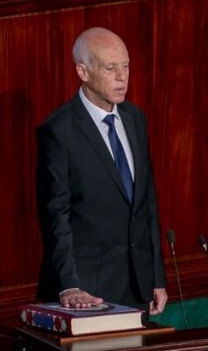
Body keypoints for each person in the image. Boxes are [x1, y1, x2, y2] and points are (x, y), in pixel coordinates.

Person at [36, 27, 168, 317]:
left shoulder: (135, 119)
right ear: (82, 72)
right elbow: (56, 216)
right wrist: (69, 286)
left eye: (126, 66)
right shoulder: (58, 131)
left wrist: (156, 277)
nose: (122, 77)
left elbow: (147, 204)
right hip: (87, 291)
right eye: (111, 68)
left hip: (137, 286)